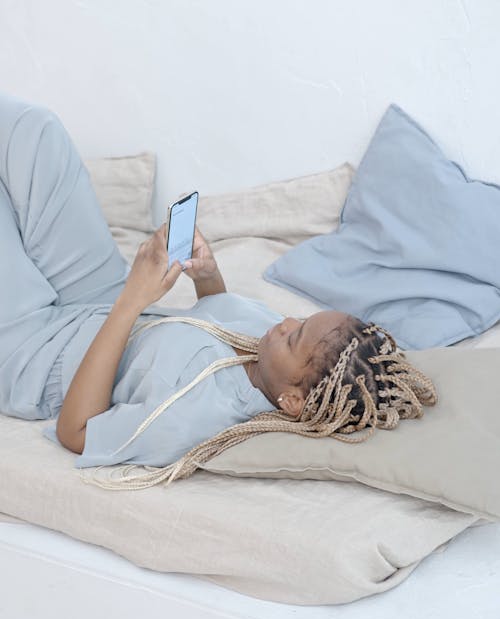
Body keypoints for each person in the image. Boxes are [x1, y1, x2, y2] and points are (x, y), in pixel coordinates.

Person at [0, 92, 437, 490]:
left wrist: (134, 300)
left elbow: (75, 429)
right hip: (100, 299)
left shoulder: (192, 414)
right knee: (35, 132)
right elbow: (214, 315)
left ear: (290, 400)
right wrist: (206, 273)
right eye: (300, 320)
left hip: (38, 352)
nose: (284, 321)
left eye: (294, 335)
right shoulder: (268, 356)